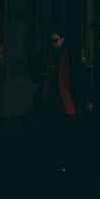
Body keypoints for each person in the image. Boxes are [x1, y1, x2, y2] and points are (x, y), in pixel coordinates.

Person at [31, 28, 82, 170]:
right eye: (51, 41)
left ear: (62, 39)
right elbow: (35, 74)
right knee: (50, 132)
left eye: (55, 40)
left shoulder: (70, 56)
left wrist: (85, 99)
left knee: (64, 132)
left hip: (65, 99)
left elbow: (77, 78)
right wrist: (41, 74)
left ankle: (63, 161)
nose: (53, 43)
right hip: (49, 99)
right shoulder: (45, 56)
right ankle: (52, 161)